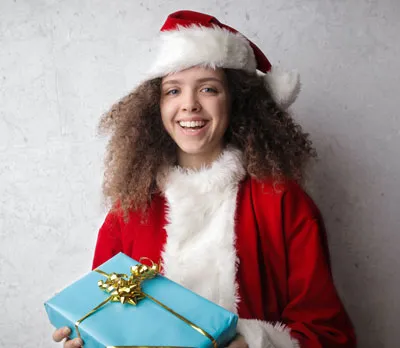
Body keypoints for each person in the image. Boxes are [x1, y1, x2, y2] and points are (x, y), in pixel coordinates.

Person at [52, 10, 356, 348]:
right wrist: (86, 338)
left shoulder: (283, 201)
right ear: (155, 106)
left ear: (236, 101)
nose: (189, 105)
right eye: (173, 91)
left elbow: (329, 334)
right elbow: (107, 315)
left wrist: (255, 344)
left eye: (208, 89)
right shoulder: (131, 207)